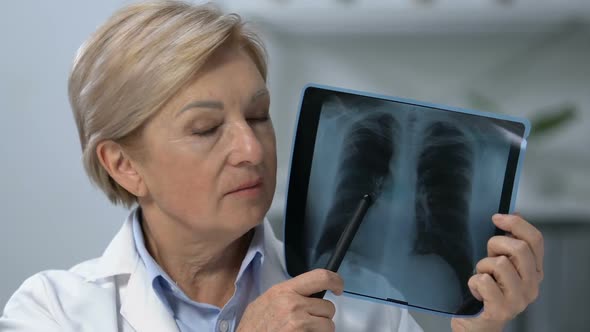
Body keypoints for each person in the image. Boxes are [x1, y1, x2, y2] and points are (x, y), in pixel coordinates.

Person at [0, 1, 544, 331]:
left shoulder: (368, 307)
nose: (252, 149)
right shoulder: (52, 312)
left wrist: (483, 329)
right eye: (207, 129)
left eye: (258, 115)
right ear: (123, 165)